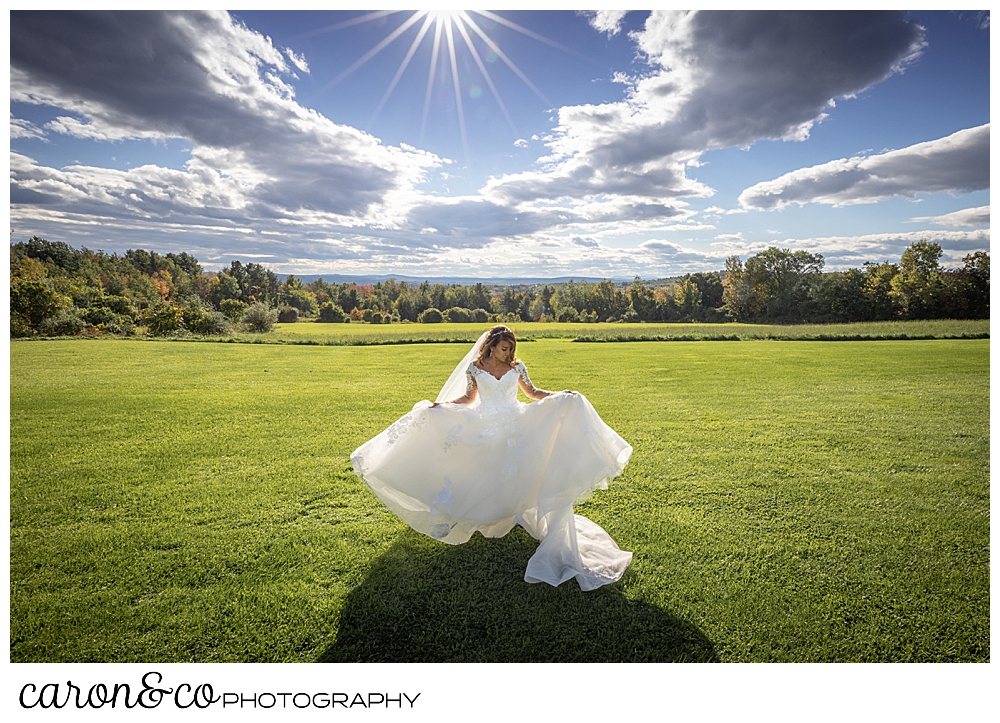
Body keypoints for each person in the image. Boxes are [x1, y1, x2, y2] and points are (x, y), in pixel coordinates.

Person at [350, 325, 632, 590]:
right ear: (491, 346)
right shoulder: (476, 368)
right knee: (483, 470)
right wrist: (441, 407)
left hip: (515, 425)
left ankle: (510, 509)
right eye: (504, 348)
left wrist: (560, 396)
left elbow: (532, 393)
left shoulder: (517, 367)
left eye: (511, 349)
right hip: (485, 426)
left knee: (518, 471)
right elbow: (469, 399)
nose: (508, 353)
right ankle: (485, 514)